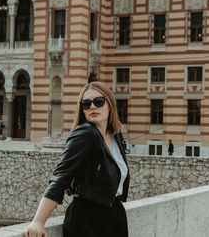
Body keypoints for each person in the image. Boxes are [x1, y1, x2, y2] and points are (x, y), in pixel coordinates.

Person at [23, 81, 130, 237]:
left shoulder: (115, 135)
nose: (92, 107)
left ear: (110, 104)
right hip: (88, 221)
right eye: (86, 104)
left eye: (98, 102)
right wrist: (38, 221)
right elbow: (60, 177)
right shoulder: (85, 134)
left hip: (115, 217)